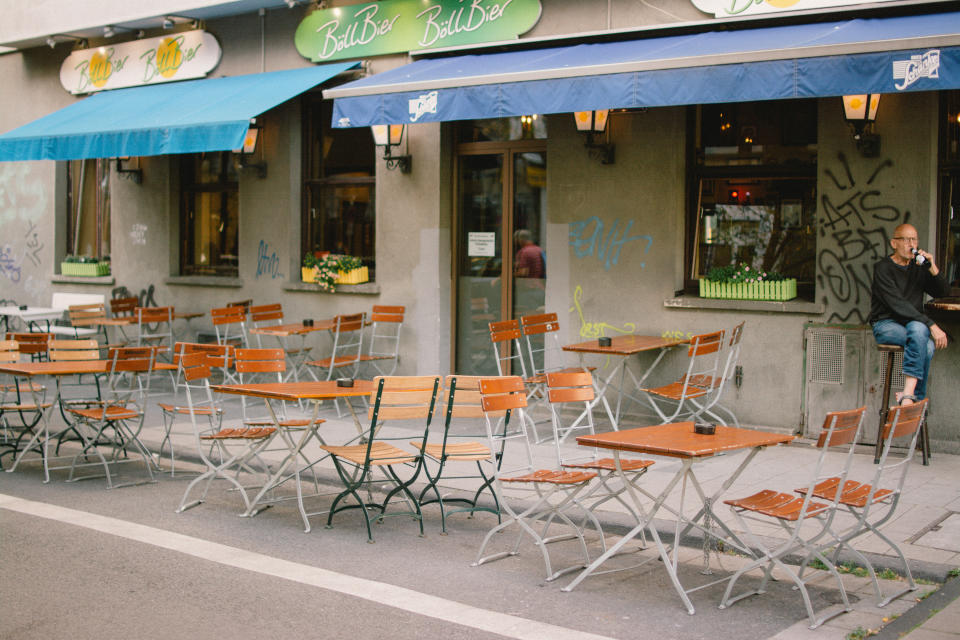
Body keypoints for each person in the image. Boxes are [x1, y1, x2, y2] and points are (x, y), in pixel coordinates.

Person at [868, 223, 950, 405]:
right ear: (893, 243)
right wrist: (932, 325)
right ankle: (915, 397)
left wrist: (932, 267)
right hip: (886, 324)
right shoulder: (883, 268)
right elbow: (899, 305)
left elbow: (943, 292)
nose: (910, 244)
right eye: (905, 239)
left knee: (924, 341)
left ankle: (908, 395)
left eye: (914, 239)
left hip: (913, 324)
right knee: (923, 337)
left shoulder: (918, 267)